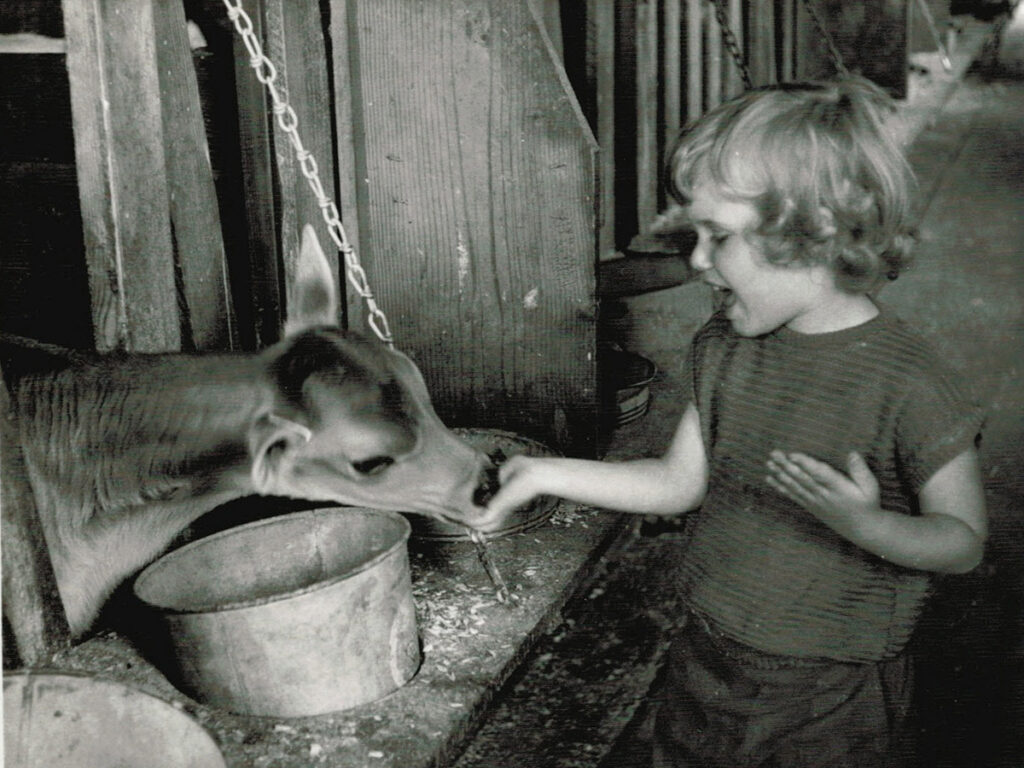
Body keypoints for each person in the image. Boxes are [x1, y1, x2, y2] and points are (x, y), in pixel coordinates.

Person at [478, 77, 988, 767]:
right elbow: (677, 483)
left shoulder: (910, 382)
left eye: (718, 237)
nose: (695, 261)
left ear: (818, 234)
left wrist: (867, 526)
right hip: (705, 661)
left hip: (831, 693)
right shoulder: (723, 347)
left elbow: (962, 543)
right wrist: (543, 473)